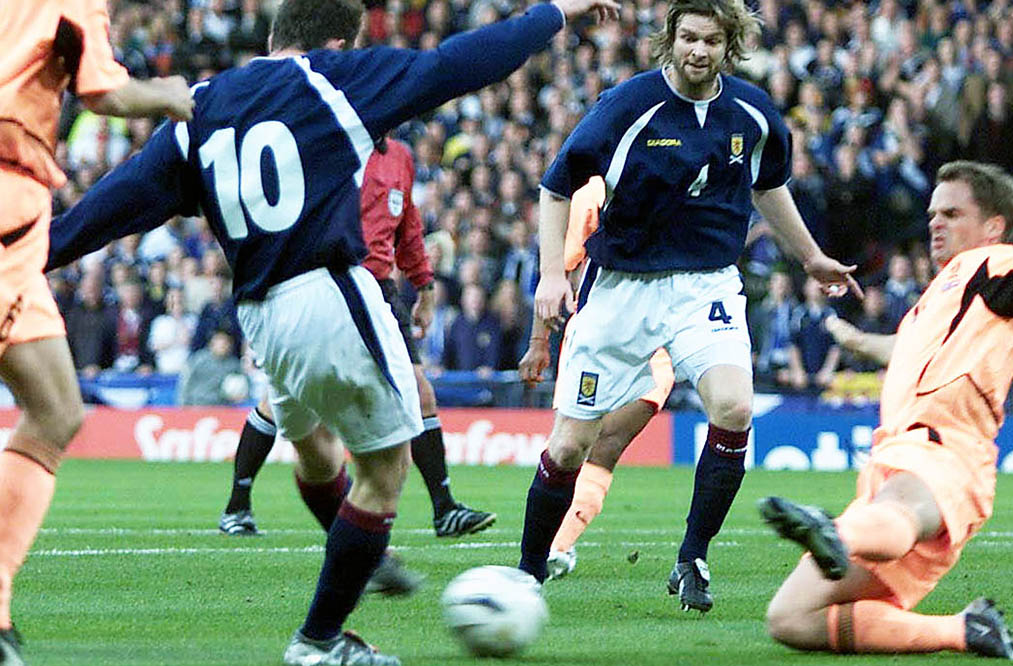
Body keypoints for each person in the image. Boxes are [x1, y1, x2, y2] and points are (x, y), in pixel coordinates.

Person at [44, 0, 620, 663]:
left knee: (317, 452)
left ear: (270, 37)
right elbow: (456, 64)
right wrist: (552, 11)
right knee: (383, 469)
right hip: (328, 290)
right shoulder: (332, 78)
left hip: (260, 313)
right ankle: (320, 637)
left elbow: (112, 206)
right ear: (339, 42)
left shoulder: (200, 105)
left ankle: (358, 555)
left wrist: (34, 253)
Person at [758, 90, 1013, 659]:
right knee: (790, 618)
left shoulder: (993, 265)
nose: (935, 223)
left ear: (993, 226)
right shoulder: (941, 296)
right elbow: (913, 350)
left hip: (943, 452)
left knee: (899, 516)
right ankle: (965, 630)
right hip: (895, 464)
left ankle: (837, 530)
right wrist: (860, 341)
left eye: (952, 214)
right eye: (932, 213)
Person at [518, 0, 858, 615]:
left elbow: (769, 185)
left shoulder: (754, 113)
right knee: (569, 447)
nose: (698, 51)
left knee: (734, 408)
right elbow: (555, 185)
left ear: (730, 45)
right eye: (689, 38)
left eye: (711, 40)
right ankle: (527, 572)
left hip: (707, 285)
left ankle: (692, 557)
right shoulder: (628, 105)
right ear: (670, 40)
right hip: (622, 285)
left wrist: (810, 257)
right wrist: (548, 274)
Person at [0, 1, 192, 662]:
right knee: (54, 410)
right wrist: (167, 94)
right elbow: (104, 90)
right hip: (7, 207)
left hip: (23, 231)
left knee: (56, 409)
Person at [218, 137, 496, 543]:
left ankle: (445, 508)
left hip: (381, 289)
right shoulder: (332, 144)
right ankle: (236, 506)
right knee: (281, 400)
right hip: (331, 285)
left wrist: (424, 286)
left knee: (421, 394)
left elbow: (409, 224)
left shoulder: (400, 155)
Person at [517, 176, 675, 581]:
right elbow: (559, 270)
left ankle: (556, 547)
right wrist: (539, 342)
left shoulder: (682, 180)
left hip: (657, 345)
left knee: (607, 442)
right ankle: (545, 548)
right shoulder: (590, 194)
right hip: (595, 341)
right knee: (569, 446)